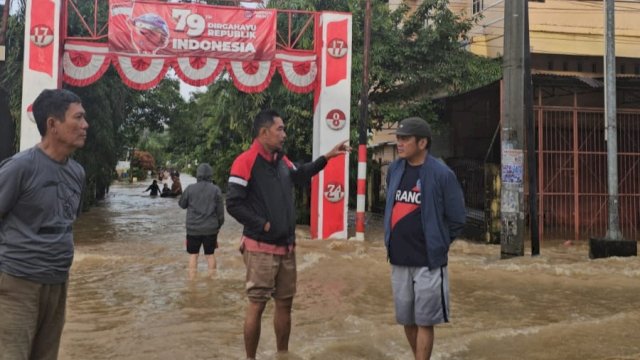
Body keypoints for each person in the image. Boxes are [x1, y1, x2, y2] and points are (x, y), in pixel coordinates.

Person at [226, 110, 350, 360]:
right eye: (280, 129)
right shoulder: (245, 161)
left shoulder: (282, 161)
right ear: (264, 133)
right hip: (260, 247)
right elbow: (233, 204)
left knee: (285, 304)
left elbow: (300, 174)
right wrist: (263, 225)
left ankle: (282, 354)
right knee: (257, 305)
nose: (284, 134)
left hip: (287, 248)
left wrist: (327, 157)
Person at [0, 89, 88, 360]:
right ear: (53, 124)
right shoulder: (20, 168)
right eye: (79, 118)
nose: (86, 125)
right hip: (18, 282)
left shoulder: (77, 172)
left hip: (58, 281)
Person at [384, 117, 466, 360]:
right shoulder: (395, 169)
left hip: (428, 262)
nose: (399, 143)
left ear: (422, 142)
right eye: (398, 138)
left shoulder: (442, 174)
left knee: (425, 321)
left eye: (405, 139)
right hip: (399, 258)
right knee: (406, 320)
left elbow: (457, 218)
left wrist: (438, 242)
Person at [178, 163, 224, 279]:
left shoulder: (190, 189)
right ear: (210, 175)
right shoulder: (216, 190)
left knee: (193, 255)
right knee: (210, 255)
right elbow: (220, 214)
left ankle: (192, 282)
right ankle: (212, 282)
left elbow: (182, 204)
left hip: (193, 229)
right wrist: (217, 227)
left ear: (197, 175)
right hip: (210, 229)